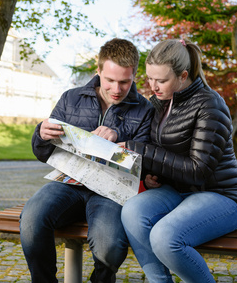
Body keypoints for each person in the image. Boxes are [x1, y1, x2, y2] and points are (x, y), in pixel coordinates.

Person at [20, 38, 154, 283]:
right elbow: (43, 153)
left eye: (125, 81)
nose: (116, 88)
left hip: (111, 192)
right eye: (110, 80)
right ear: (98, 70)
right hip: (68, 184)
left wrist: (118, 139)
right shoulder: (70, 98)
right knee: (31, 218)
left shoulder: (145, 109)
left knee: (109, 246)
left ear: (135, 75)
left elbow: (146, 163)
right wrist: (40, 135)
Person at [121, 38, 237, 283]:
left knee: (165, 237)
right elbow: (161, 153)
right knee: (132, 211)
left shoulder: (211, 105)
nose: (153, 86)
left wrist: (140, 151)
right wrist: (150, 172)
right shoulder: (159, 103)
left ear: (183, 76)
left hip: (221, 195)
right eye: (149, 78)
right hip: (177, 191)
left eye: (161, 80)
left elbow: (198, 170)